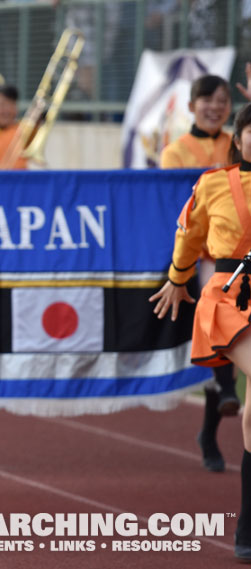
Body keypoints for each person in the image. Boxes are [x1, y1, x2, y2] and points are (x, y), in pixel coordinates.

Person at [150, 102, 251, 562]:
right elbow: (188, 235)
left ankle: (246, 526)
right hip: (230, 298)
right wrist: (175, 278)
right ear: (240, 135)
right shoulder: (214, 181)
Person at [159, 74, 238, 473]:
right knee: (219, 340)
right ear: (191, 105)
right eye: (206, 99)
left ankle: (211, 426)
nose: (215, 106)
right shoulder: (176, 152)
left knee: (224, 344)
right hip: (201, 261)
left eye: (222, 100)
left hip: (237, 259)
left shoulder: (236, 141)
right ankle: (217, 412)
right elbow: (179, 210)